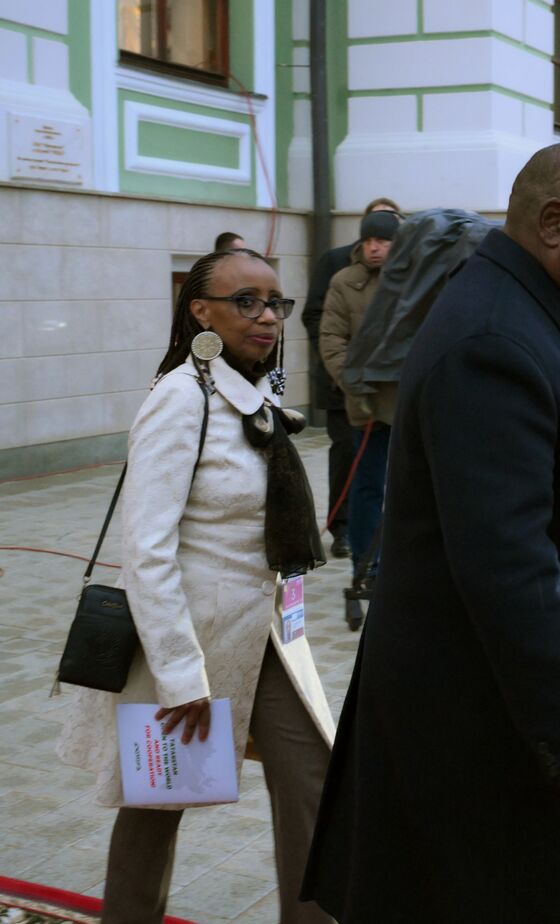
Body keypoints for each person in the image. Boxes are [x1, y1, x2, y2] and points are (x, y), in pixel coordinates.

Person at [302, 141, 560, 922]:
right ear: (553, 222)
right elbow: (508, 566)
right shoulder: (493, 341)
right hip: (487, 730)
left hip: (511, 711)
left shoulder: (531, 315)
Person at [56, 248, 336, 923]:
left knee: (313, 780)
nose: (266, 316)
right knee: (158, 803)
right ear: (199, 310)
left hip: (262, 634)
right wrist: (180, 675)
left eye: (276, 302)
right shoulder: (181, 400)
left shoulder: (256, 390)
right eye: (246, 302)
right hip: (187, 644)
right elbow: (146, 550)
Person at [301, 196, 401, 558]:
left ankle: (401, 556)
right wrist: (353, 382)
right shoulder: (342, 279)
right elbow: (330, 336)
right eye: (369, 240)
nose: (375, 247)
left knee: (409, 484)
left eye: (383, 240)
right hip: (362, 404)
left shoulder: (415, 280)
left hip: (406, 404)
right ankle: (364, 558)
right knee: (365, 481)